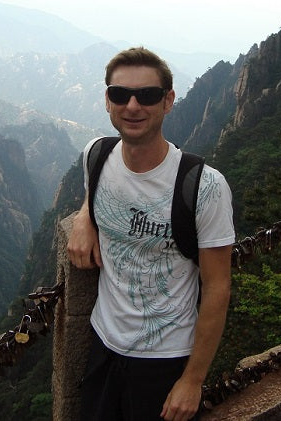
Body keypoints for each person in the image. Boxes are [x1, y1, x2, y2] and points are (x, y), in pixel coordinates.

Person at [67, 47, 235, 421]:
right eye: (119, 94)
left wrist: (192, 380)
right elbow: (94, 193)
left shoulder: (205, 187)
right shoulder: (96, 155)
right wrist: (84, 217)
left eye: (147, 95)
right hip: (103, 344)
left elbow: (218, 288)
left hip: (165, 360)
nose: (132, 106)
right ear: (107, 101)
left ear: (168, 101)